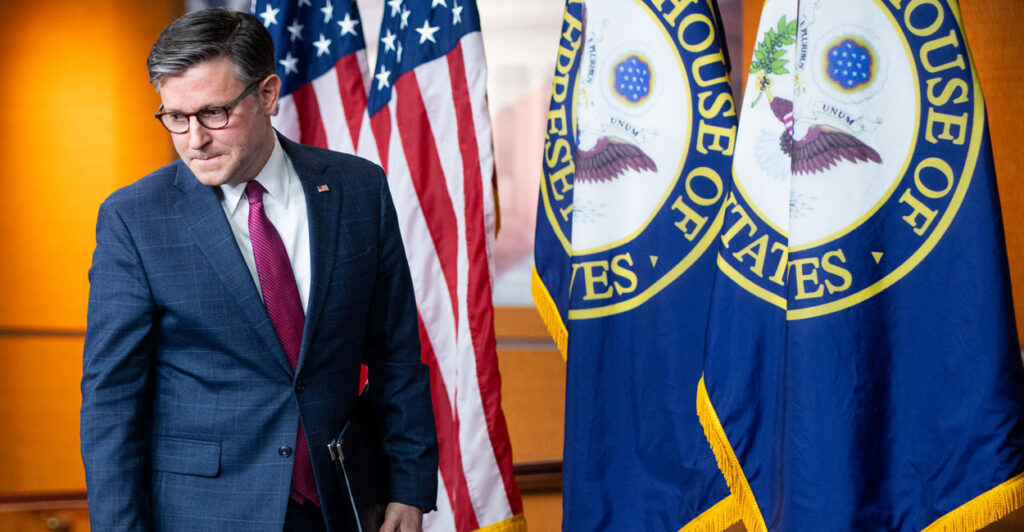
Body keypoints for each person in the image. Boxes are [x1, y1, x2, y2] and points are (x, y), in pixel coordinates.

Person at [80, 8, 438, 532]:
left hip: (343, 506)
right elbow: (111, 402)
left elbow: (396, 353)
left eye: (213, 113)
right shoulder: (134, 218)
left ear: (268, 94)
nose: (193, 139)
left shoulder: (359, 189)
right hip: (202, 514)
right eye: (175, 117)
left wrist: (408, 487)